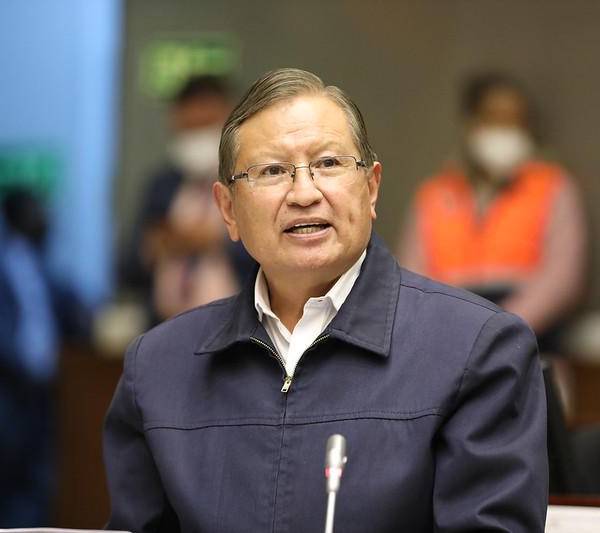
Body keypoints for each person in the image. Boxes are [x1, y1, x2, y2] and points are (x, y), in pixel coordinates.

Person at [104, 68, 548, 532]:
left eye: (329, 163)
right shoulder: (157, 368)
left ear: (371, 188)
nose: (304, 193)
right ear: (228, 210)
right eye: (272, 171)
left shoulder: (477, 350)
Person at [397, 72, 587, 353]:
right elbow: (411, 277)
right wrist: (449, 329)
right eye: (494, 118)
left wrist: (501, 328)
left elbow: (561, 279)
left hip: (529, 338)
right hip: (446, 336)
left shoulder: (553, 186)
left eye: (515, 121)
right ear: (471, 123)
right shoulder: (435, 193)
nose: (505, 130)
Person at [122, 75, 254, 324]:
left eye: (206, 126)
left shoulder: (251, 180)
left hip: (238, 323)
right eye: (190, 129)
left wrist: (219, 241)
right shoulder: (161, 185)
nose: (198, 138)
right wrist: (156, 245)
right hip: (166, 323)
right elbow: (128, 264)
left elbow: (272, 254)